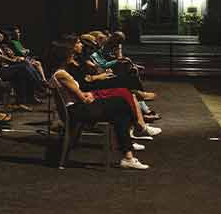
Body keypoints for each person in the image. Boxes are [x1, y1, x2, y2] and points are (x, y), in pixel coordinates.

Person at [46, 39, 148, 169]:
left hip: (77, 107)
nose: (72, 56)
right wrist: (88, 97)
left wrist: (86, 95)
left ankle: (128, 154)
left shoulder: (60, 73)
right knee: (121, 104)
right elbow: (82, 98)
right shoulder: (62, 74)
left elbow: (77, 93)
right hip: (77, 110)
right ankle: (131, 140)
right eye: (70, 54)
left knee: (120, 112)